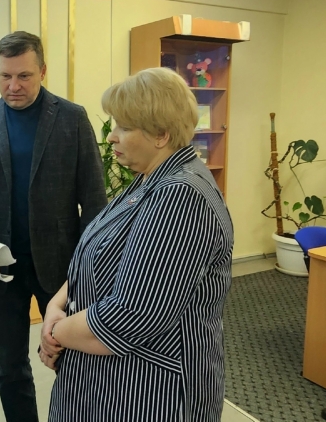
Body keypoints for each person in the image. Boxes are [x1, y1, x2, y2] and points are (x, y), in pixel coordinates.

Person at [39, 67, 234, 422]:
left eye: (124, 127)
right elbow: (99, 256)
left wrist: (55, 331)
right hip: (108, 380)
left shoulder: (180, 196)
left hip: (149, 391)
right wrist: (57, 303)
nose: (112, 137)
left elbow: (130, 316)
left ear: (160, 134)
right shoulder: (149, 179)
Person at [0, 31, 107, 421]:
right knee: (10, 366)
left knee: (73, 361)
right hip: (0, 268)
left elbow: (94, 201)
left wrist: (88, 267)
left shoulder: (72, 118)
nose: (13, 86)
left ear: (42, 70)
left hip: (61, 267)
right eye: (4, 76)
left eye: (23, 76)